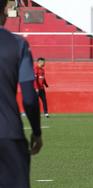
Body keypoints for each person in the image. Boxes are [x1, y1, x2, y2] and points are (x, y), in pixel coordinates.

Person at [0, 0, 43, 187]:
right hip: (9, 133)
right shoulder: (17, 44)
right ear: (4, 10)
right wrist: (36, 132)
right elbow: (29, 98)